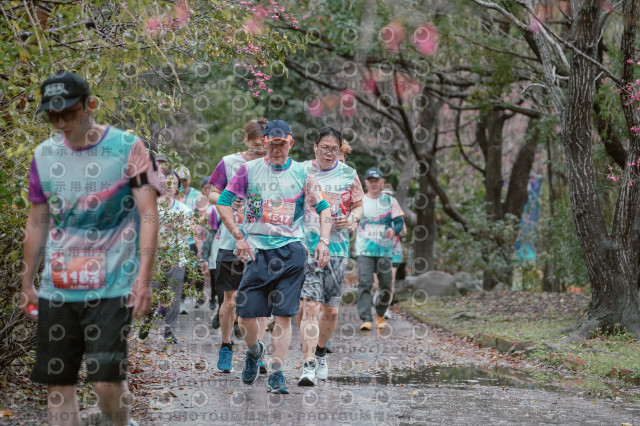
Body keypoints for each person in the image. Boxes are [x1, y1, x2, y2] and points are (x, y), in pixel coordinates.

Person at [21, 70, 165, 426]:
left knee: (105, 381)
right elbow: (37, 221)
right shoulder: (44, 155)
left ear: (91, 105)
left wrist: (144, 279)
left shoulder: (128, 147)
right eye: (52, 116)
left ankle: (120, 422)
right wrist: (27, 282)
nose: (61, 123)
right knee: (59, 387)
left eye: (68, 113)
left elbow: (148, 214)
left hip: (113, 287)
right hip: (58, 288)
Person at [216, 119, 331, 394]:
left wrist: (324, 242)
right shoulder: (248, 170)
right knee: (245, 316)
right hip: (257, 253)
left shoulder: (303, 174)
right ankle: (255, 351)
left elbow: (324, 208)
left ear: (290, 143)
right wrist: (238, 236)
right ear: (264, 143)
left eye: (282, 145)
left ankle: (277, 374)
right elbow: (223, 202)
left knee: (283, 316)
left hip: (291, 251)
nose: (276, 150)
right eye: (271, 145)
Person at [297, 127, 364, 386]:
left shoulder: (349, 174)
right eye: (324, 148)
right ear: (315, 147)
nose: (329, 153)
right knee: (310, 306)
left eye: (334, 149)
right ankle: (308, 364)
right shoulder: (301, 170)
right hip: (306, 247)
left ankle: (321, 352)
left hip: (337, 248)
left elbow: (358, 206)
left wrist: (351, 219)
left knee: (331, 312)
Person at [207, 119, 270, 373]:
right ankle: (226, 346)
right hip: (230, 240)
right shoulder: (229, 162)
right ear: (245, 140)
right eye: (255, 145)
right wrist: (227, 201)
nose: (260, 150)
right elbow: (211, 193)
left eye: (264, 145)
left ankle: (257, 352)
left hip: (262, 242)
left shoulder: (274, 166)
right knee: (231, 300)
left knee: (261, 303)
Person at [139, 173, 196, 343]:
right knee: (153, 292)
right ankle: (147, 321)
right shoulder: (152, 207)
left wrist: (180, 227)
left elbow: (188, 234)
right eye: (167, 183)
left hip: (176, 257)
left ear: (178, 186)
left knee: (174, 294)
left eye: (174, 183)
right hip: (156, 257)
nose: (170, 186)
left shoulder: (184, 209)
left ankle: (169, 331)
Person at [355, 167, 405, 330]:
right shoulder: (360, 200)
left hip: (385, 251)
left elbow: (399, 223)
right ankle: (366, 319)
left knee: (386, 285)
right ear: (366, 182)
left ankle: (380, 313)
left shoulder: (390, 201)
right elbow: (352, 218)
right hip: (364, 250)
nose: (374, 184)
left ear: (382, 182)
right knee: (365, 283)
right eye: (371, 181)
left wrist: (393, 230)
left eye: (377, 181)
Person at [372, 185, 407, 319]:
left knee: (390, 281)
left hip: (394, 251)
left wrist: (397, 229)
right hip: (377, 251)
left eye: (389, 196)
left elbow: (403, 230)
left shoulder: (397, 212)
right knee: (378, 283)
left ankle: (385, 308)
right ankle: (378, 302)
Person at [174, 165, 205, 310]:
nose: (183, 182)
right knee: (180, 269)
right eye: (180, 179)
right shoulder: (173, 194)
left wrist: (195, 224)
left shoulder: (197, 195)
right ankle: (178, 300)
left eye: (185, 179)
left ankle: (194, 296)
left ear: (189, 179)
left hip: (193, 238)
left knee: (193, 268)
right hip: (176, 239)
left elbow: (203, 213)